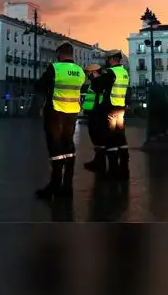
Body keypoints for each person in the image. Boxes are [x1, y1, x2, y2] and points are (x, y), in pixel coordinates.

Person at [33, 41, 85, 200]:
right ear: (72, 54)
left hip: (55, 111)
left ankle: (54, 185)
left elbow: (40, 86)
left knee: (55, 147)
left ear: (60, 54)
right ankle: (67, 186)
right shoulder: (79, 71)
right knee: (68, 146)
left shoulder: (55, 68)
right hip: (72, 112)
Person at [91, 50, 130, 179]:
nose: (106, 61)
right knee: (121, 138)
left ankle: (113, 171)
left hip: (111, 109)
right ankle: (124, 169)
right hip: (120, 108)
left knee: (111, 139)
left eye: (107, 59)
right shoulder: (124, 72)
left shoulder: (111, 72)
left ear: (113, 59)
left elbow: (98, 87)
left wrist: (95, 78)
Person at [81, 63, 107, 172]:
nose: (87, 75)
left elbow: (99, 99)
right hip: (94, 114)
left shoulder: (99, 83)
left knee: (99, 139)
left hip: (98, 115)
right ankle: (98, 161)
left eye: (89, 73)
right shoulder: (95, 82)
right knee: (97, 140)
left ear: (94, 72)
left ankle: (100, 163)